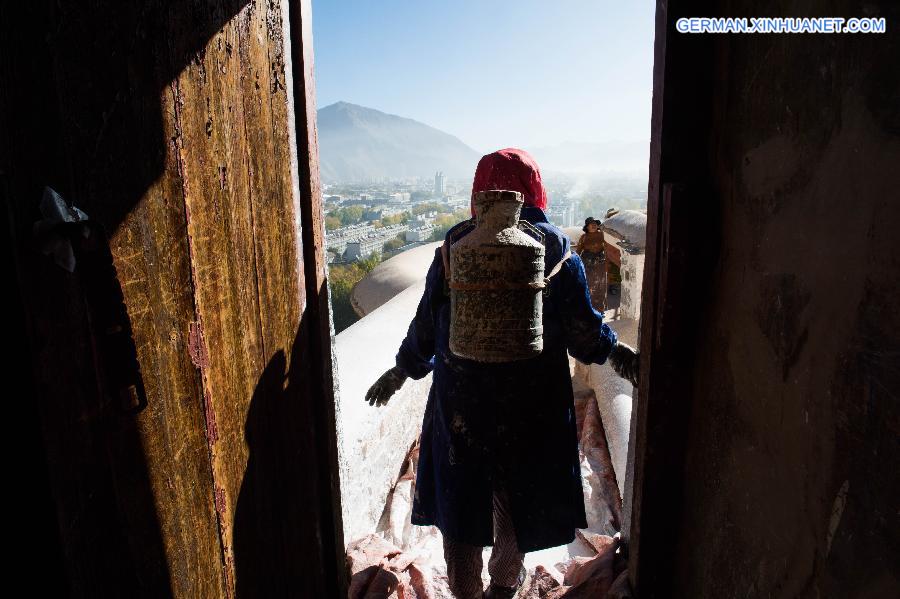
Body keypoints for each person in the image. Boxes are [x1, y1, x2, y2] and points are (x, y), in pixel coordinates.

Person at [365, 148, 639, 599]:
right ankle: (504, 586)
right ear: (534, 191)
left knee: (462, 498)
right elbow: (584, 337)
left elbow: (427, 328)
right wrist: (621, 356)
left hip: (461, 403)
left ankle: (465, 589)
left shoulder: (454, 248)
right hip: (533, 406)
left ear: (480, 193)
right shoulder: (557, 250)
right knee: (513, 497)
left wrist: (402, 371)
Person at [574, 216, 608, 311]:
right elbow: (578, 251)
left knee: (601, 287)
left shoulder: (603, 235)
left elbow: (607, 250)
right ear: (587, 227)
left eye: (595, 224)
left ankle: (600, 309)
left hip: (600, 265)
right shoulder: (584, 237)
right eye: (591, 224)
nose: (593, 225)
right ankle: (589, 308)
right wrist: (576, 264)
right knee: (589, 286)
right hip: (588, 266)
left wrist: (607, 264)